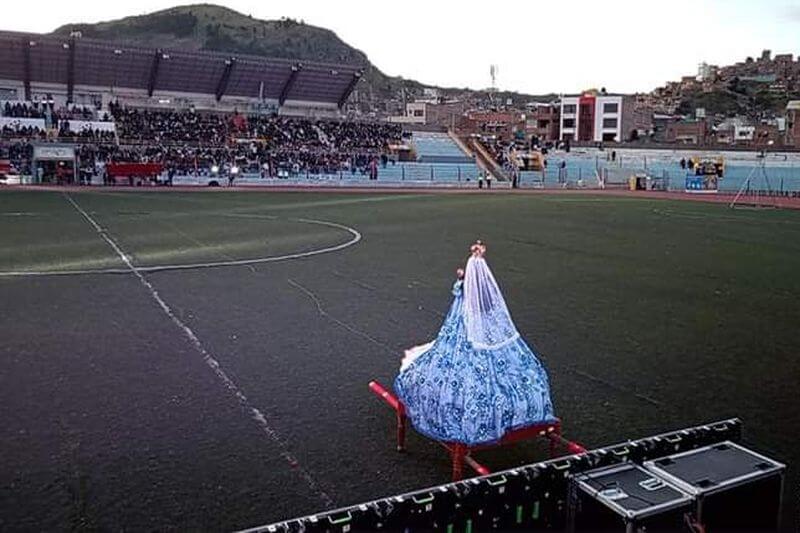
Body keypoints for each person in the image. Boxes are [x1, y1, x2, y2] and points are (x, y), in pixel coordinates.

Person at [395, 241, 555, 446]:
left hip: (463, 344)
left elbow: (455, 315)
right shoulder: (492, 309)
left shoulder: (464, 301)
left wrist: (462, 280)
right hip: (489, 345)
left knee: (428, 372)